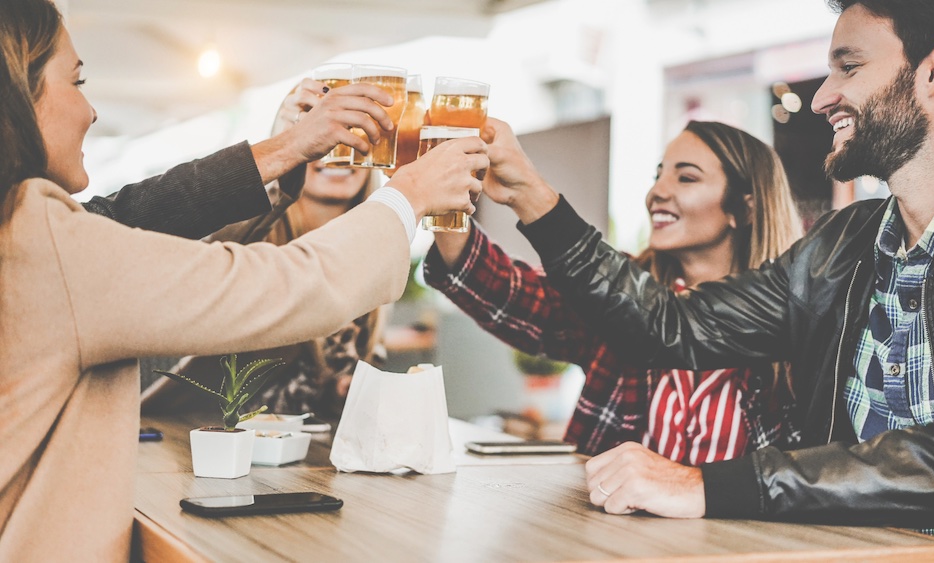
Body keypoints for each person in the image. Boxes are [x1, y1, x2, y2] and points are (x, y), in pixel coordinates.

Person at [479, 0, 934, 559]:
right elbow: (671, 324)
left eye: (848, 67)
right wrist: (530, 196)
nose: (823, 97)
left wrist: (708, 484)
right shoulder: (845, 243)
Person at [0, 2, 486, 560]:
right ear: (16, 94)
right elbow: (281, 285)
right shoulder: (36, 234)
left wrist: (286, 147)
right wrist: (410, 197)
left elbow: (122, 214)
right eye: (76, 80)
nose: (90, 110)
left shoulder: (29, 232)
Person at [424, 121, 803, 463]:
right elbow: (510, 293)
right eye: (659, 175)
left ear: (746, 208)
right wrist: (444, 200)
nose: (657, 192)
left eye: (685, 178)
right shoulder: (619, 291)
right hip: (612, 532)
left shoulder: (793, 312)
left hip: (742, 541)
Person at [142, 79, 390, 420]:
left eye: (354, 138)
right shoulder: (254, 241)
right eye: (328, 139)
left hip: (309, 462)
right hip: (210, 447)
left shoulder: (372, 259)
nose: (338, 154)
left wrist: (341, 391)